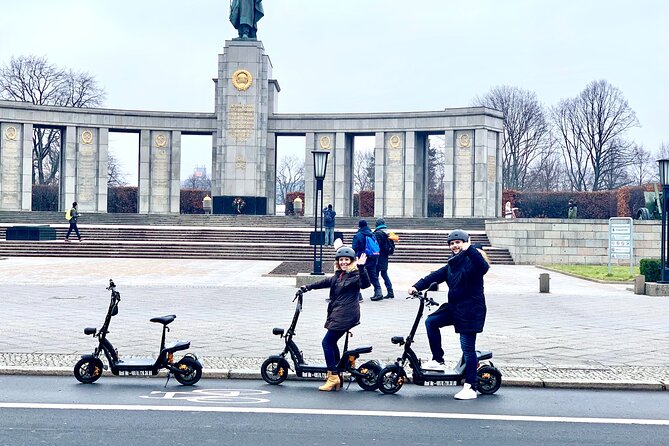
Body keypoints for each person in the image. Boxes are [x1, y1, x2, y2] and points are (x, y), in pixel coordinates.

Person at [408, 229, 490, 400]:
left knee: (467, 348)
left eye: (458, 242)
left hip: (470, 310)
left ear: (466, 242)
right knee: (431, 322)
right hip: (454, 308)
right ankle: (438, 360)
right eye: (452, 243)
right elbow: (435, 276)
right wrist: (416, 286)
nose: (455, 246)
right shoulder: (452, 263)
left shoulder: (473, 260)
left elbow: (484, 267)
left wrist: (470, 249)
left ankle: (471, 386)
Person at [299, 246, 370, 391]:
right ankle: (337, 372)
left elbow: (365, 284)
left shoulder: (355, 274)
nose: (343, 262)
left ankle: (333, 376)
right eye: (341, 260)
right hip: (339, 313)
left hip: (346, 314)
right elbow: (325, 282)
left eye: (347, 260)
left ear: (352, 261)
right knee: (332, 342)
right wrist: (308, 287)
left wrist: (362, 268)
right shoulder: (339, 275)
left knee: (327, 342)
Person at [352, 219, 382, 302]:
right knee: (373, 274)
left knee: (357, 275)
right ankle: (378, 292)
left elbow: (354, 248)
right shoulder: (372, 234)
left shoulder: (358, 235)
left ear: (359, 226)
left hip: (362, 257)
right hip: (373, 256)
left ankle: (357, 295)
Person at [374, 217, 396, 299]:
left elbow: (377, 246)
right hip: (385, 256)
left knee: (375, 275)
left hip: (378, 256)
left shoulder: (378, 233)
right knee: (384, 274)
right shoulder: (388, 232)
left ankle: (377, 292)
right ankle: (390, 291)